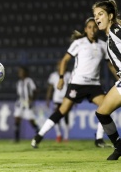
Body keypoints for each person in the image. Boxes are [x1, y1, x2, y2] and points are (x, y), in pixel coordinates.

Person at [31, 17, 118, 149]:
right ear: (85, 29)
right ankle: (39, 136)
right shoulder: (79, 43)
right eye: (89, 27)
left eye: (95, 27)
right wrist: (61, 78)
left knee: (106, 109)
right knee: (62, 111)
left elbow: (110, 65)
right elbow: (65, 60)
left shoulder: (102, 45)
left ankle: (99, 139)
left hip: (94, 85)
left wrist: (119, 78)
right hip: (77, 83)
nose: (92, 29)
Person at [93, 0, 121, 160]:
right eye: (95, 15)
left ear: (110, 16)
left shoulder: (116, 31)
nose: (97, 18)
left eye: (100, 14)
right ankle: (119, 147)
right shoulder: (110, 37)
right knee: (102, 112)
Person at [46, 60, 71, 142]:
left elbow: (71, 87)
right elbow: (50, 88)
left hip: (66, 98)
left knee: (66, 117)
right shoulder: (53, 75)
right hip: (56, 99)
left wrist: (73, 99)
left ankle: (66, 137)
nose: (60, 67)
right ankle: (59, 134)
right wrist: (48, 99)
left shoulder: (68, 75)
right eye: (58, 65)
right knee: (56, 116)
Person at [14, 66, 39, 143]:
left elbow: (35, 90)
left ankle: (38, 132)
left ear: (26, 73)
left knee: (31, 120)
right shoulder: (18, 82)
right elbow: (19, 93)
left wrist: (31, 100)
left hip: (28, 102)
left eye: (21, 71)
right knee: (17, 118)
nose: (20, 73)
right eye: (19, 72)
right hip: (20, 102)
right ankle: (16, 138)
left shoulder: (29, 81)